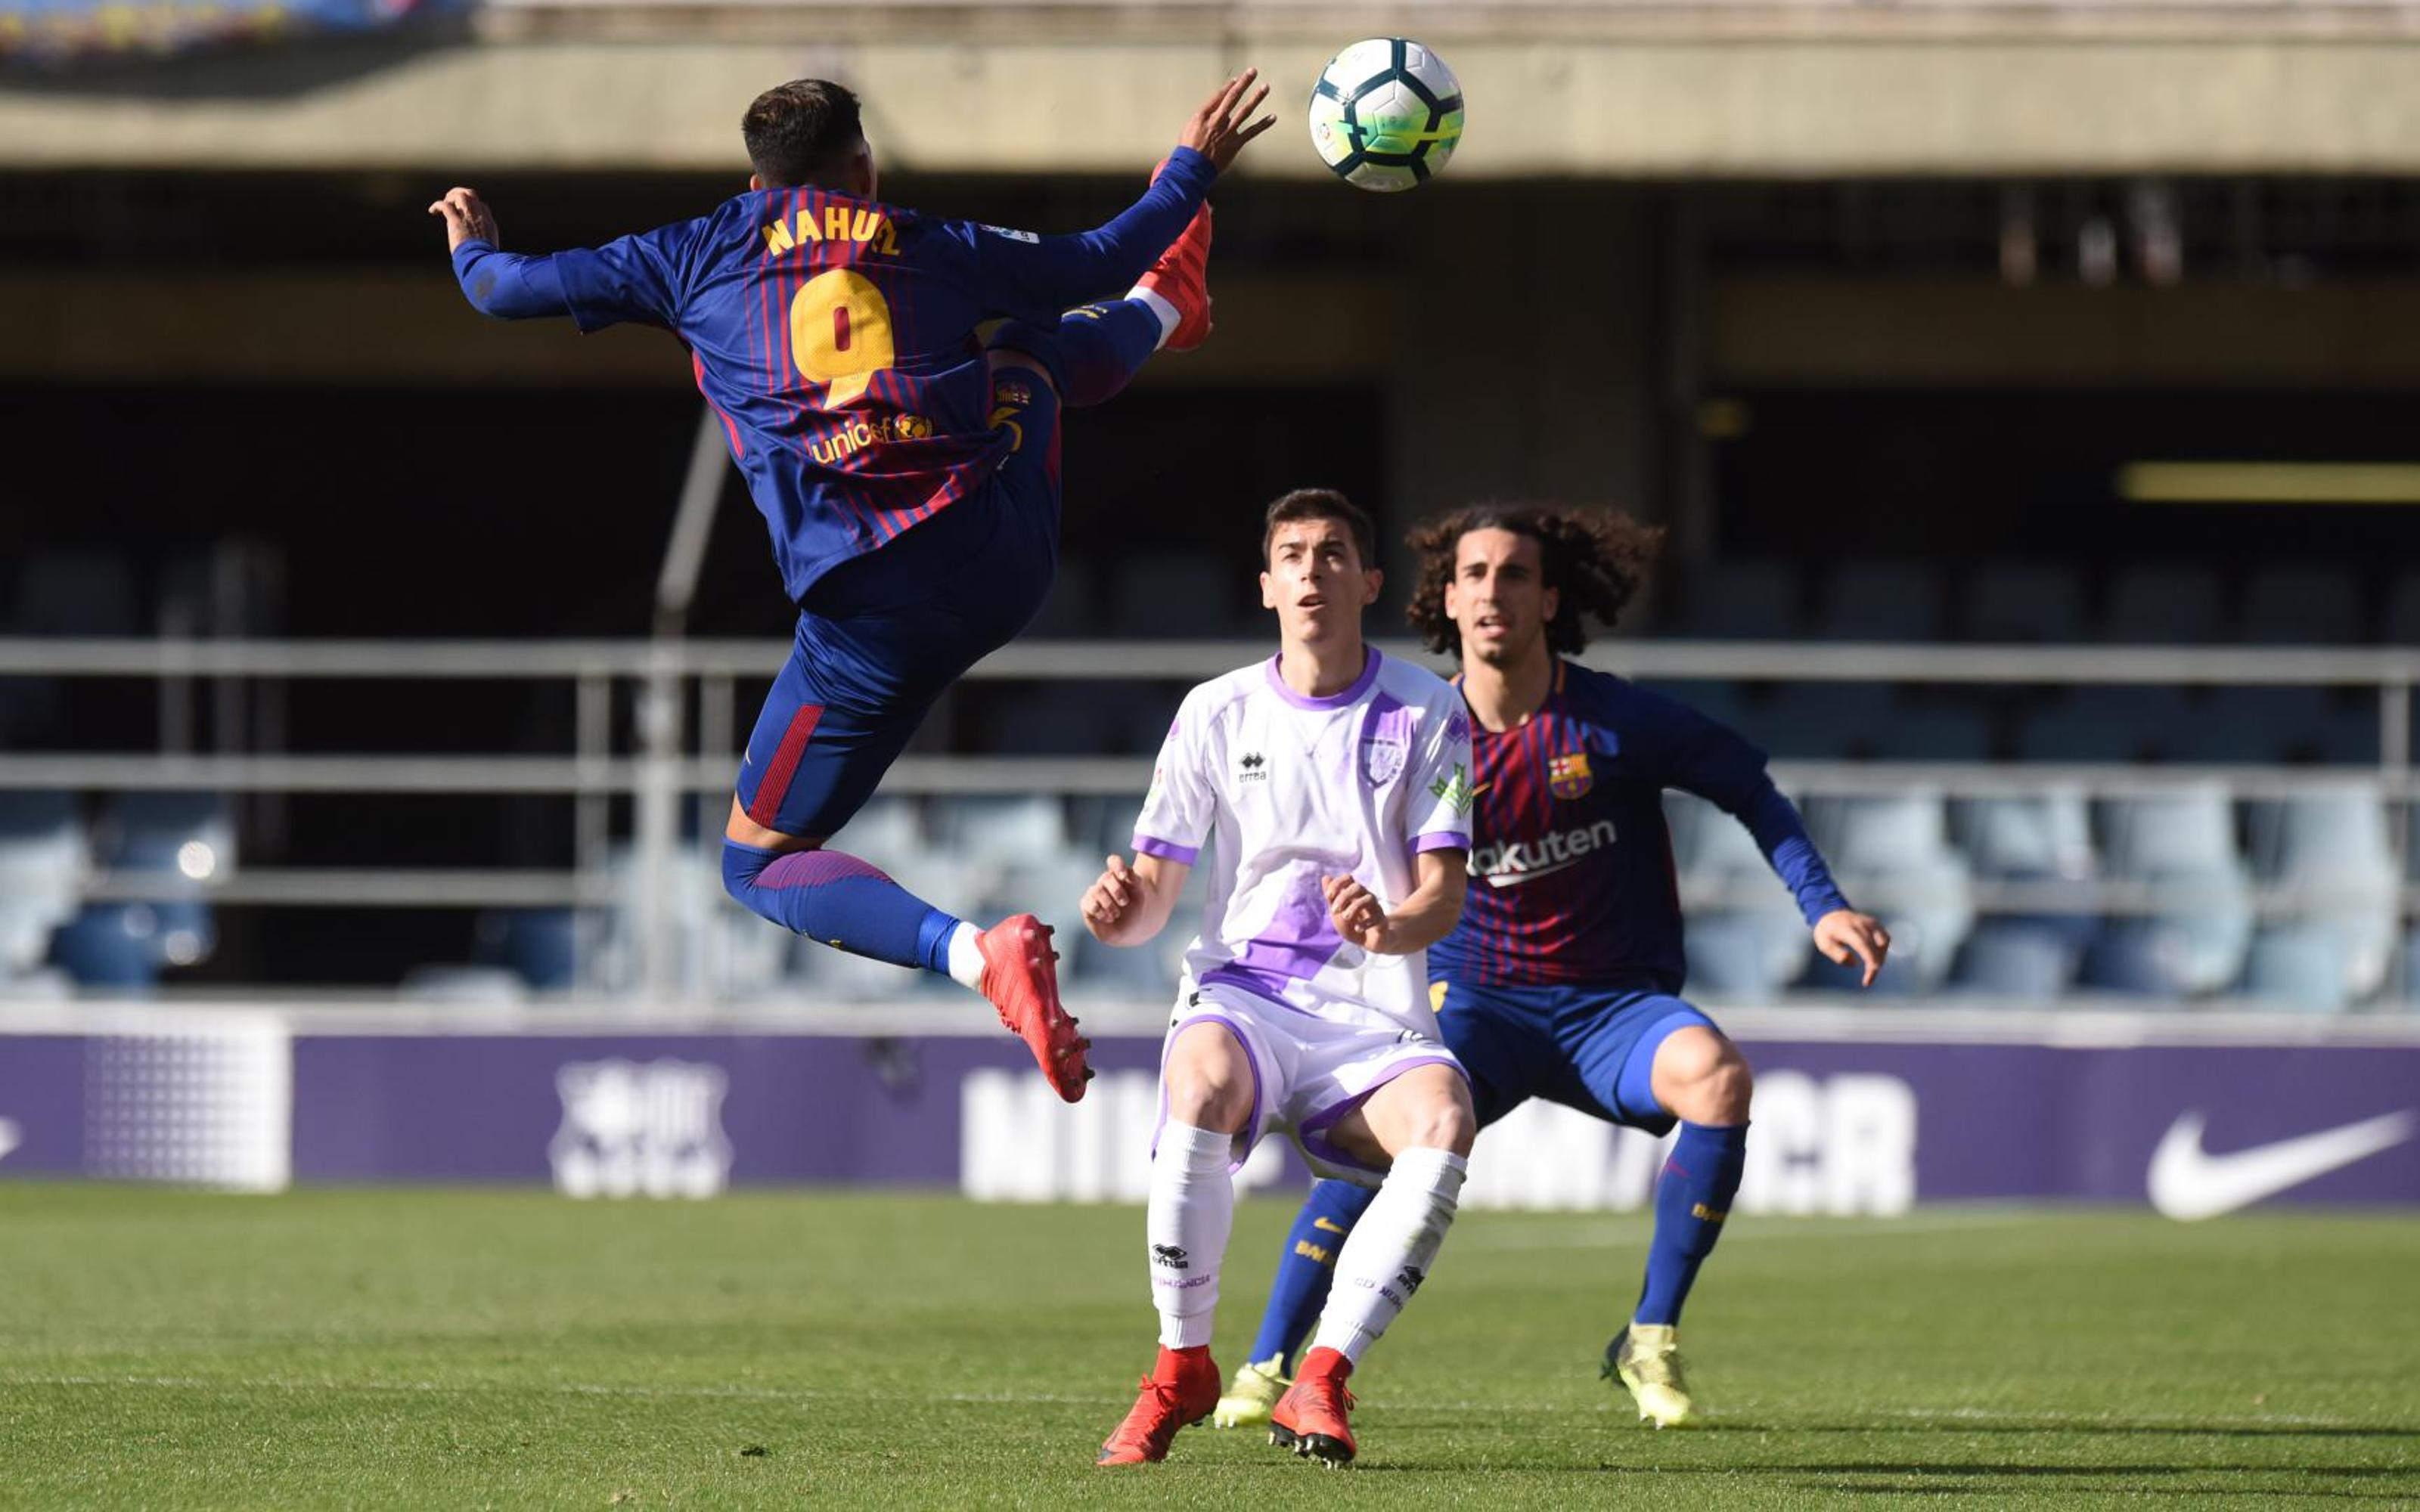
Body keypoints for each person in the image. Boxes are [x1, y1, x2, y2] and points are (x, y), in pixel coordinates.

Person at [430, 74, 1274, 1101]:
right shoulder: (924, 242)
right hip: (993, 549)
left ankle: (976, 958)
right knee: (1027, 347)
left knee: (756, 865)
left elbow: (500, 291)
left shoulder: (693, 253)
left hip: (864, 613)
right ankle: (1163, 309)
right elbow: (1093, 256)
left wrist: (470, 238)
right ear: (863, 169)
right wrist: (1190, 170)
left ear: (754, 181)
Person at [1212, 505, 1891, 1433]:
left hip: (1609, 1009)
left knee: (1717, 1078)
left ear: (1550, 598)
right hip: (1473, 1006)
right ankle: (1266, 1360)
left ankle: (1647, 1336)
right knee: (1378, 1127)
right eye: (1474, 573)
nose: (1493, 590)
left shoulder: (1615, 719)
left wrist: (1822, 904)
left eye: (1515, 574)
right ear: (1444, 598)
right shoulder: (1408, 727)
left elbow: (1747, 783)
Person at [1081, 489, 1478, 1469]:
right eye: (1292, 554)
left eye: (1334, 552)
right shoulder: (1212, 713)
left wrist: (1387, 926)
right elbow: (1152, 904)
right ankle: (1181, 1369)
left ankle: (1322, 1379)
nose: (1312, 569)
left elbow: (1446, 894)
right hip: (1247, 1000)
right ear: (1267, 586)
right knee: (1201, 1080)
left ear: (1369, 581)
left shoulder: (1429, 710)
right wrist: (1117, 905)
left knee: (1445, 1121)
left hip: (1373, 1020)